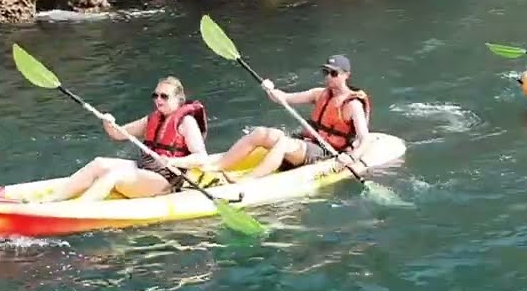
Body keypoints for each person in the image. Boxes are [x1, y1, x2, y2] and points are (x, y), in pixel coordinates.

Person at [34, 76, 212, 202]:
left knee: (115, 174)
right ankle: (53, 200)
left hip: (165, 179)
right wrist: (108, 123)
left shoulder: (186, 122)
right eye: (155, 95)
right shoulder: (152, 119)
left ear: (179, 99)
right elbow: (118, 133)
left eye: (164, 96)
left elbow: (201, 158)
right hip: (144, 168)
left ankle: (78, 209)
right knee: (99, 163)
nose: (158, 99)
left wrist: (172, 160)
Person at [207, 55, 370, 180]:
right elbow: (284, 98)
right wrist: (270, 89)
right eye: (326, 72)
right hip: (308, 143)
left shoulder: (352, 105)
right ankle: (216, 167)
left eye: (334, 73)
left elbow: (364, 139)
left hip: (326, 151)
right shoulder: (318, 94)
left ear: (346, 75)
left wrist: (351, 157)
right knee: (262, 133)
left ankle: (248, 181)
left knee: (283, 143)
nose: (328, 77)